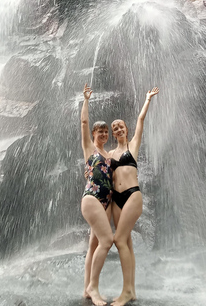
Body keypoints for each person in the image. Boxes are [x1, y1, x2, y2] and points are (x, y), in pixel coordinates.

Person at [109, 87, 159, 306]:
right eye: (114, 128)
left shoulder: (133, 145)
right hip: (116, 199)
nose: (118, 129)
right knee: (126, 242)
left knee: (118, 240)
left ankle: (126, 291)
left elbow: (141, 119)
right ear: (112, 133)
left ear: (126, 129)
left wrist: (147, 100)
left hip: (132, 195)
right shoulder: (109, 154)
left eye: (120, 126)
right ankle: (132, 290)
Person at [80, 83, 114, 306]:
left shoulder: (109, 154)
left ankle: (85, 288)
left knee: (93, 245)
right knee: (107, 240)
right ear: (93, 134)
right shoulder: (89, 149)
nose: (102, 133)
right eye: (99, 131)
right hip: (92, 199)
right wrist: (86, 100)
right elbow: (83, 123)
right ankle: (94, 288)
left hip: (106, 202)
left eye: (105, 131)